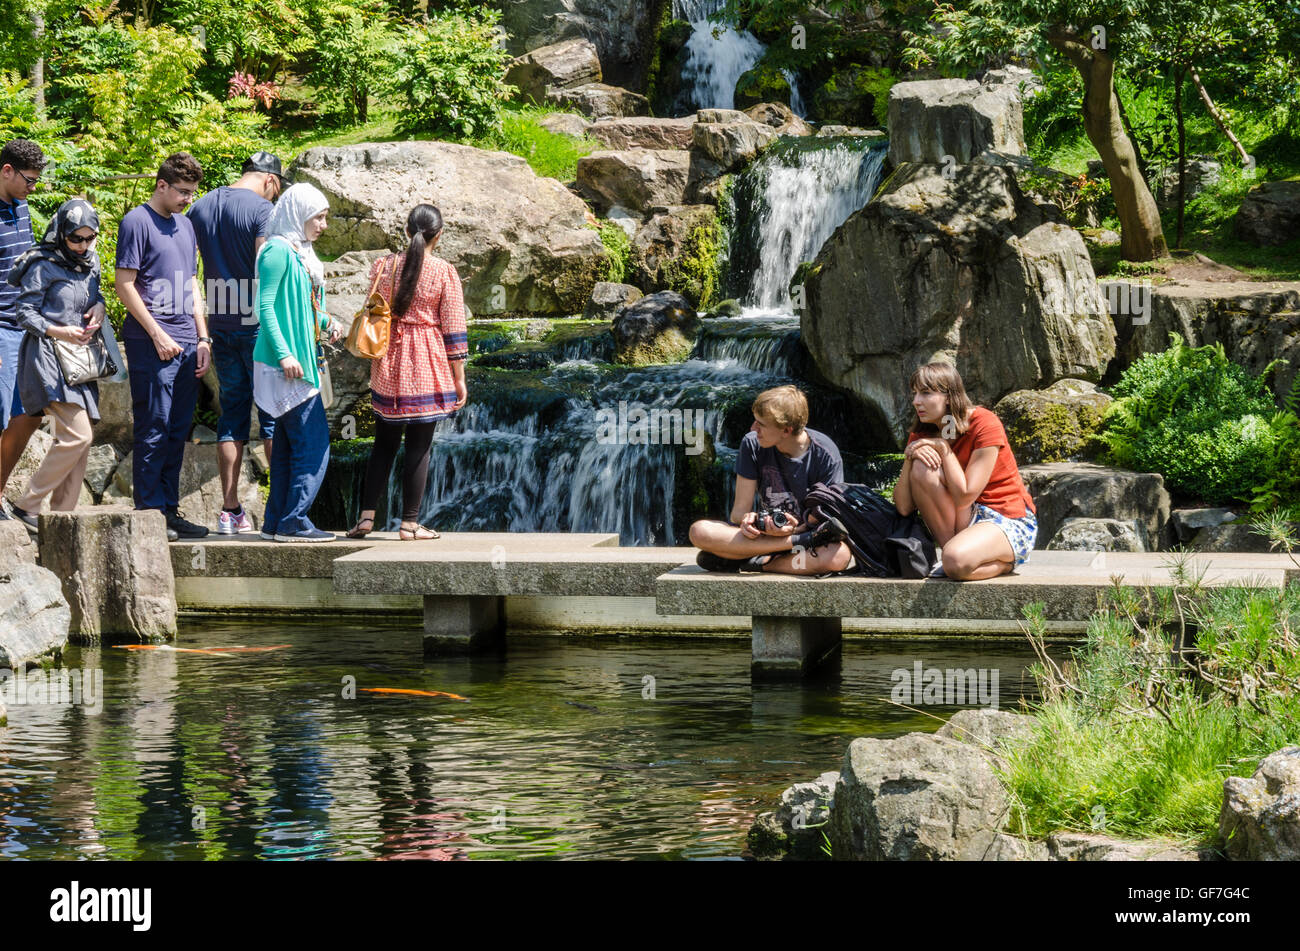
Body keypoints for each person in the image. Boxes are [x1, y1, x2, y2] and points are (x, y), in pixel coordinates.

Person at [345, 204, 468, 541]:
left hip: (389, 359)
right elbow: (454, 328)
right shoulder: (444, 272)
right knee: (419, 446)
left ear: (406, 231)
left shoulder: (383, 266)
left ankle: (366, 519)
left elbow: (374, 309)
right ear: (438, 235)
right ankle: (409, 524)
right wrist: (459, 378)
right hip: (427, 357)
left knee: (383, 443)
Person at [115, 152, 211, 541]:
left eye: (192, 193)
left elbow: (192, 285)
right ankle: (150, 512)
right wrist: (158, 334)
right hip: (150, 342)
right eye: (182, 192)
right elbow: (124, 285)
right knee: (153, 426)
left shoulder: (186, 226)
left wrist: (202, 337)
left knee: (177, 429)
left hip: (188, 342)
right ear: (161, 185)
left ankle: (169, 510)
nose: (187, 199)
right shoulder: (136, 221)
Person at [188, 151, 284, 534]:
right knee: (274, 416)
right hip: (259, 325)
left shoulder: (200, 206)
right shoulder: (263, 210)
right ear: (270, 180)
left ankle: (229, 511)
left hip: (221, 322)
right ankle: (280, 509)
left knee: (232, 416)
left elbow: (189, 268)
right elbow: (266, 266)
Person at [4, 200, 107, 529]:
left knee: (79, 445)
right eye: (76, 238)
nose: (83, 246)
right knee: (79, 436)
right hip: (46, 357)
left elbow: (96, 296)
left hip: (79, 361)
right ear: (61, 233)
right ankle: (28, 504)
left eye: (90, 238)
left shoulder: (91, 262)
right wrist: (57, 330)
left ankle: (62, 520)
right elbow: (24, 312)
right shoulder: (42, 263)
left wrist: (100, 310)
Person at [253, 182, 341, 543]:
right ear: (298, 214)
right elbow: (266, 307)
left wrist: (326, 324)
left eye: (324, 217)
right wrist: (286, 353)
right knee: (314, 445)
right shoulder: (276, 250)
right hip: (286, 365)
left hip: (296, 360)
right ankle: (294, 520)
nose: (323, 225)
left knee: (288, 448)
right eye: (317, 217)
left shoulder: (298, 251)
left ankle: (276, 521)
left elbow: (301, 309)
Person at [894, 361, 1037, 581]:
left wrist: (943, 448)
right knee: (922, 466)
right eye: (914, 394)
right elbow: (903, 507)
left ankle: (1001, 564)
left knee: (956, 563)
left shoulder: (984, 423)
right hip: (964, 517)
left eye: (925, 393)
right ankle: (953, 555)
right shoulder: (925, 430)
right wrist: (910, 456)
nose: (916, 402)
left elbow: (965, 495)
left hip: (1004, 516)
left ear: (949, 397)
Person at [688, 385, 851, 574]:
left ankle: (758, 562)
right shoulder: (751, 444)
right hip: (764, 536)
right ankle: (768, 554)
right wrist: (752, 520)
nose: (753, 428)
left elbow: (825, 519)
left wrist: (794, 531)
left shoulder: (826, 455)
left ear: (786, 430)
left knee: (838, 556)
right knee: (699, 531)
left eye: (761, 424)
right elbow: (738, 513)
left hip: (803, 538)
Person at [0, 139, 45, 519]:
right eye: (28, 180)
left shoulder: (22, 205)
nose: (33, 188)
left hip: (25, 325)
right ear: (6, 170)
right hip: (0, 329)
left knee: (29, 415)